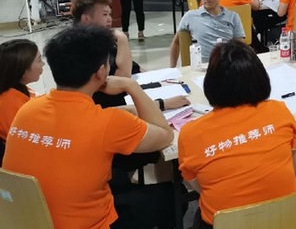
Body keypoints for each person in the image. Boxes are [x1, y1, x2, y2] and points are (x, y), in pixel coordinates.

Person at [3, 25, 174, 229]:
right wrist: (131, 86)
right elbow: (165, 136)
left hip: (25, 220)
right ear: (101, 72)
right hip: (89, 224)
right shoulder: (108, 121)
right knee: (170, 195)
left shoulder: (27, 109)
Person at [178, 41, 296, 229]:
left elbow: (200, 187)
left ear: (211, 84)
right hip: (287, 220)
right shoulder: (279, 111)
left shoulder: (190, 134)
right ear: (260, 78)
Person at [169, 0, 246, 67]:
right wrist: (172, 68)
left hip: (227, 65)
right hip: (202, 67)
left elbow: (240, 46)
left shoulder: (233, 17)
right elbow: (176, 42)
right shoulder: (190, 16)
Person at [0, 40, 43, 145]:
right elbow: (30, 143)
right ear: (24, 71)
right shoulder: (10, 105)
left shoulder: (17, 90)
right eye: (39, 60)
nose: (43, 64)